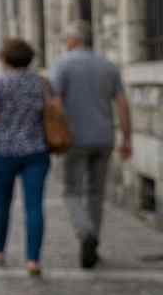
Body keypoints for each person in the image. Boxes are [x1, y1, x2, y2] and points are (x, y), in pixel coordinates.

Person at [51, 21, 131, 269]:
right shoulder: (108, 65)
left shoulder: (63, 65)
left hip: (74, 139)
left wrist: (55, 135)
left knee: (72, 191)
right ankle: (93, 243)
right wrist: (127, 138)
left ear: (72, 41)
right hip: (103, 137)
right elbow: (122, 104)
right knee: (96, 193)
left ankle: (86, 233)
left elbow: (54, 103)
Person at [0, 37, 50, 276]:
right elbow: (53, 111)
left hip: (4, 152)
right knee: (34, 206)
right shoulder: (41, 83)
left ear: (5, 59)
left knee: (2, 202)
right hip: (36, 150)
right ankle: (33, 260)